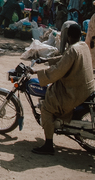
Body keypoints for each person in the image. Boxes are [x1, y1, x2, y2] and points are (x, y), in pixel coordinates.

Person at [29, 24, 95, 155]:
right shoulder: (82, 46)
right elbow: (64, 59)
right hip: (86, 88)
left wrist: (38, 72)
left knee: (46, 108)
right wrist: (47, 60)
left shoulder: (72, 50)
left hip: (74, 92)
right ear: (80, 35)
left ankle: (48, 145)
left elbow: (58, 71)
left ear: (68, 37)